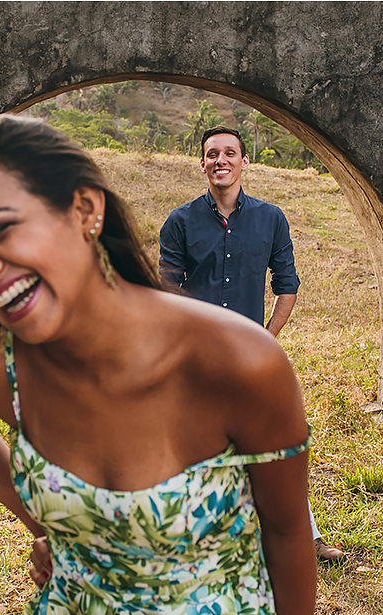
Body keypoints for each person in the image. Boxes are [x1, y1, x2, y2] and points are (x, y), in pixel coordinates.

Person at [0, 114, 317, 615]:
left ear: (85, 209)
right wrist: (59, 529)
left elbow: (287, 533)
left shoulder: (241, 362)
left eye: (2, 229)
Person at [159, 125, 345, 564]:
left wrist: (263, 338)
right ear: (202, 163)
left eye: (229, 153)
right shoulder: (180, 222)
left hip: (250, 359)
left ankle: (305, 537)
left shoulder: (270, 219)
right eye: (211, 154)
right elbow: (166, 290)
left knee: (277, 447)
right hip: (196, 359)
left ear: (245, 162)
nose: (220, 160)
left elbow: (287, 286)